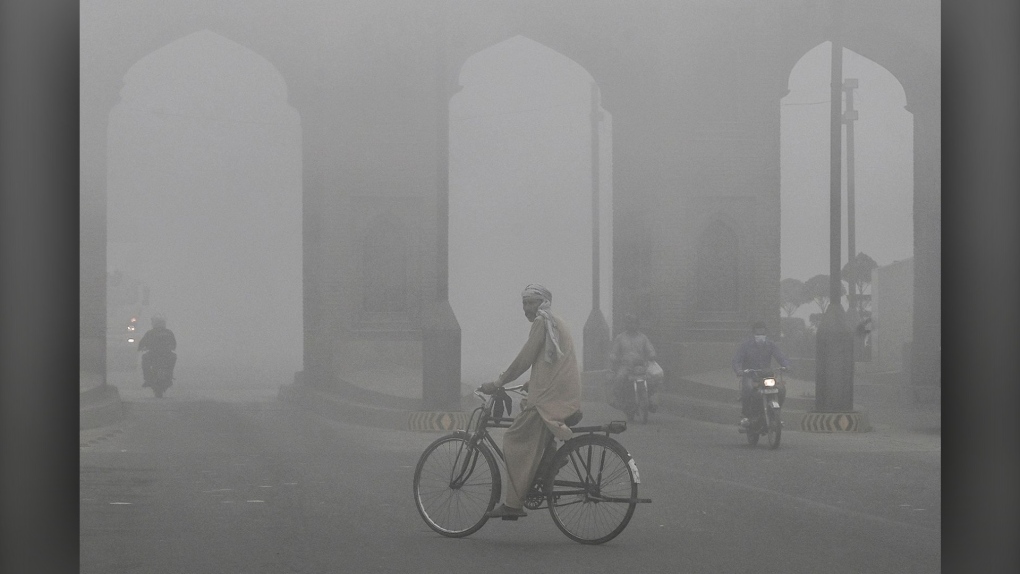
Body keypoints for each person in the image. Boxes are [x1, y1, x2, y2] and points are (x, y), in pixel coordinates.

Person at [479, 284, 582, 519]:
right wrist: (532, 382)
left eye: (531, 303)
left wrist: (498, 382)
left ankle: (513, 504)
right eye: (524, 303)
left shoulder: (542, 321)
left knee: (514, 438)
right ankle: (548, 462)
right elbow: (550, 360)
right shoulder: (554, 321)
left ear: (542, 303)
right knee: (529, 422)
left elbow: (525, 358)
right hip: (563, 392)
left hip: (552, 397)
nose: (526, 308)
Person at [732, 320, 789, 428]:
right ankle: (746, 416)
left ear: (765, 332)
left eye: (762, 333)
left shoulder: (770, 344)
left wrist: (786, 365)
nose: (760, 335)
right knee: (748, 389)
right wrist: (738, 370)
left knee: (781, 389)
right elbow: (737, 360)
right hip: (751, 376)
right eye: (758, 333)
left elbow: (781, 356)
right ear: (754, 333)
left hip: (767, 376)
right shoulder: (746, 345)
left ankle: (775, 413)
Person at [607, 313, 662, 415]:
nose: (631, 325)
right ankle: (618, 400)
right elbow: (614, 351)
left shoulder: (643, 338)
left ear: (638, 324)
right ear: (626, 324)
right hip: (625, 366)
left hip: (641, 366)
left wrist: (652, 354)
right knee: (619, 378)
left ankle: (651, 401)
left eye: (634, 323)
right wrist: (613, 357)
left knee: (654, 380)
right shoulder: (620, 337)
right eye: (629, 323)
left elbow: (650, 349)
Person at [138, 314, 177, 387]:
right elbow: (174, 344)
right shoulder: (168, 332)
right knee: (173, 358)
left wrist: (141, 348)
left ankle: (147, 379)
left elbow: (142, 343)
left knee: (145, 360)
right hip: (165, 354)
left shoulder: (150, 332)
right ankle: (169, 376)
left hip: (154, 354)